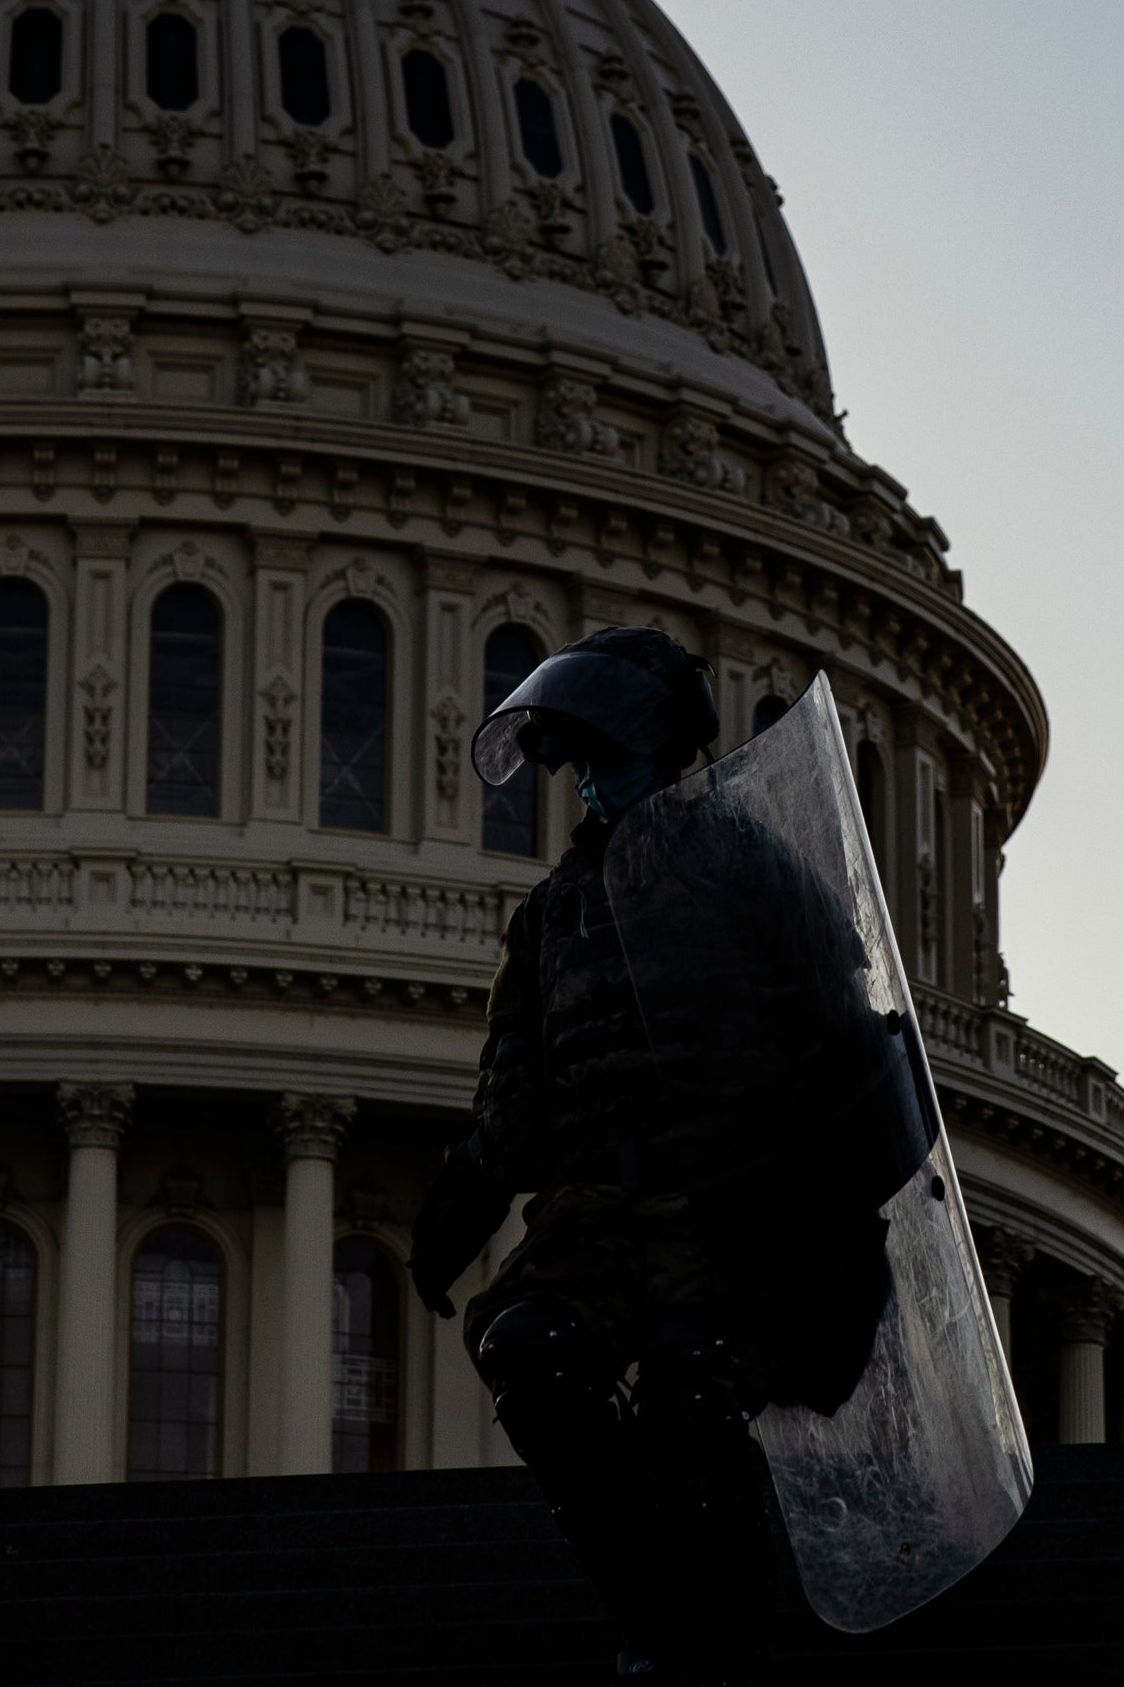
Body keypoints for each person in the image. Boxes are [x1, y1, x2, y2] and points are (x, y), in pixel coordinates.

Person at [411, 628, 920, 1681]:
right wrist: (463, 1197)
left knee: (696, 1390)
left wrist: (834, 1179)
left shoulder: (747, 864)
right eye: (580, 761)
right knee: (528, 1349)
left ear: (667, 752)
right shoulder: (554, 914)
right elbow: (516, 1089)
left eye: (611, 755)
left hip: (740, 1202)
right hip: (600, 1208)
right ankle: (660, 1618)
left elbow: (840, 1019)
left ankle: (722, 1641)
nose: (593, 782)